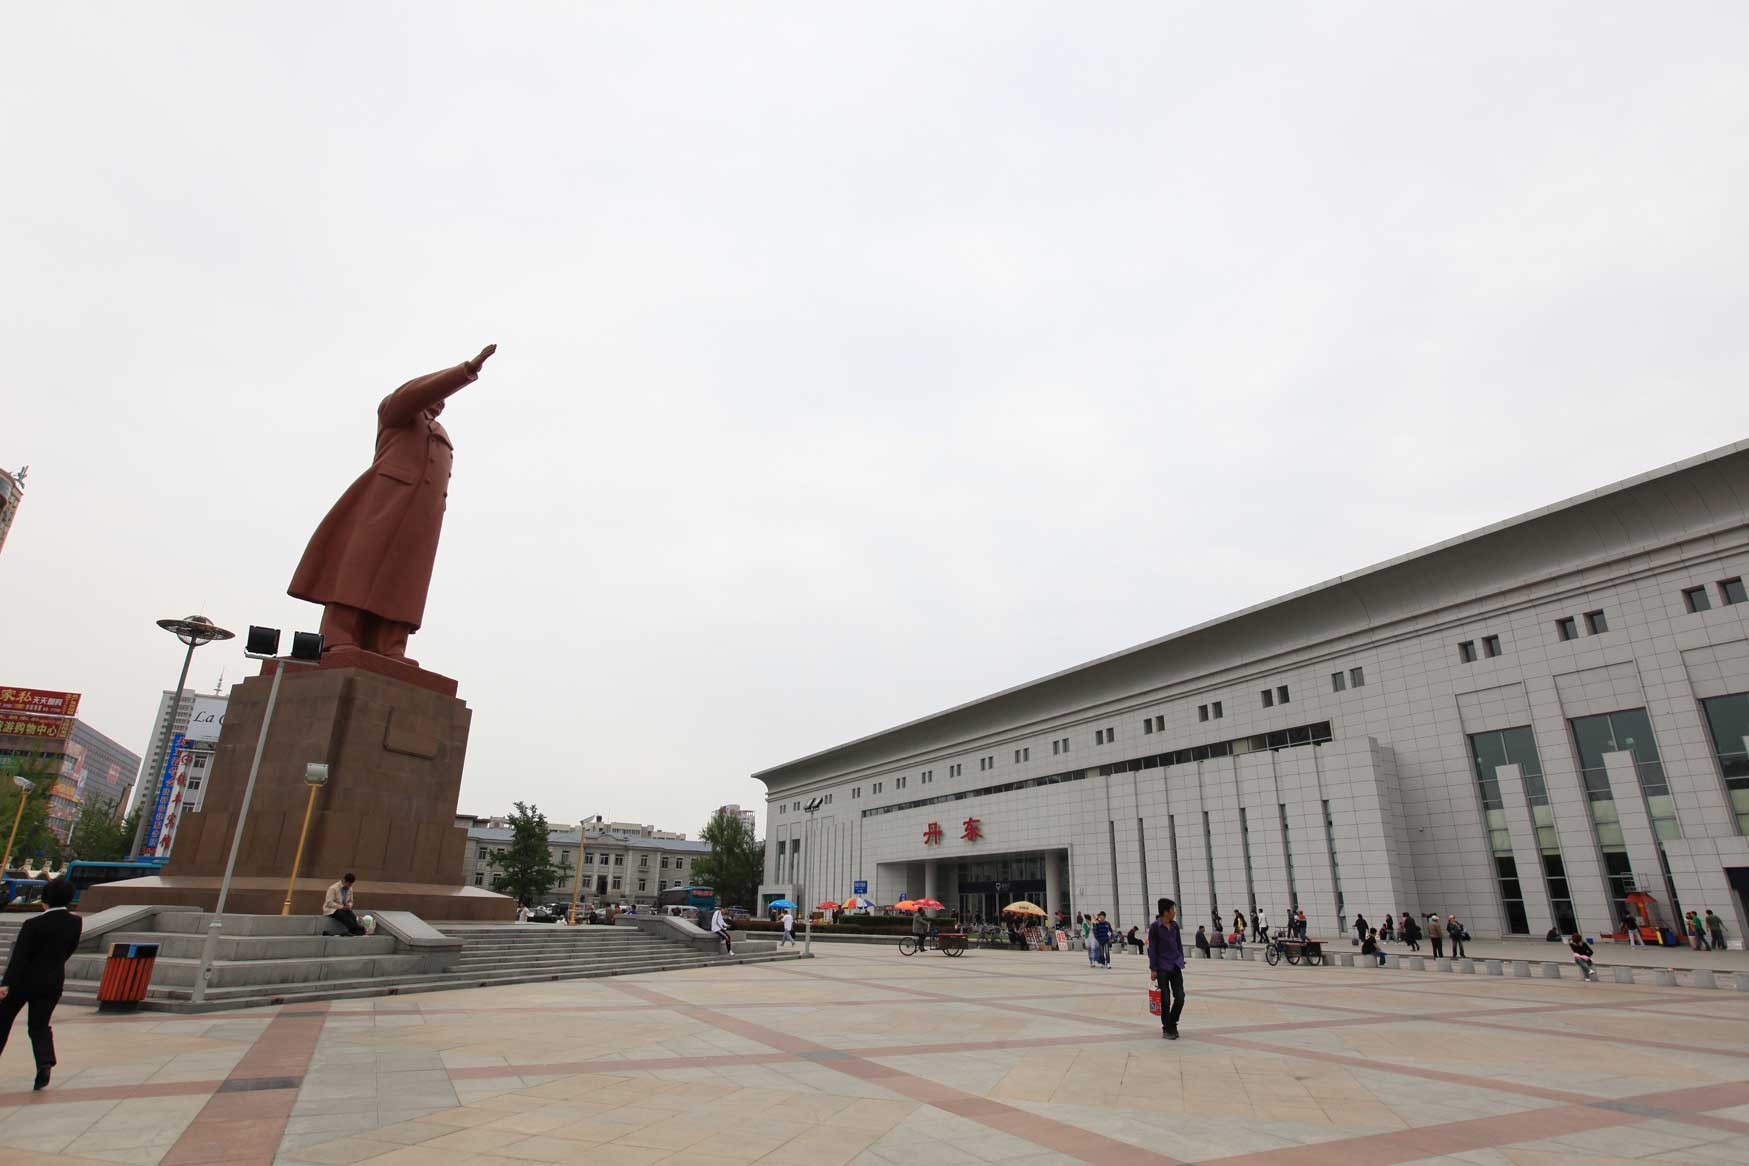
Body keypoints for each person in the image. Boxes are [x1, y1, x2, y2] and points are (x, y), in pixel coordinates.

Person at [0, 878, 80, 1091]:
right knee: (39, 1025)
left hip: (22, 982)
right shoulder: (75, 922)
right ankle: (44, 1062)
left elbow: (19, 957)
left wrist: (6, 984)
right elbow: (69, 950)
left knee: (2, 1021)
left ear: (45, 899)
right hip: (52, 982)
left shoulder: (33, 924)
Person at [1147, 897, 1186, 1040]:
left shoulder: (1174, 926)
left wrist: (1180, 958)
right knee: (1165, 1000)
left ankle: (1172, 1023)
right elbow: (1152, 949)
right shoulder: (1155, 927)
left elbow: (1179, 944)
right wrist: (1153, 969)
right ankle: (1167, 1028)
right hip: (1162, 967)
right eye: (1172, 910)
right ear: (1166, 912)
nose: (1174, 912)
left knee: (1180, 997)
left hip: (1175, 965)